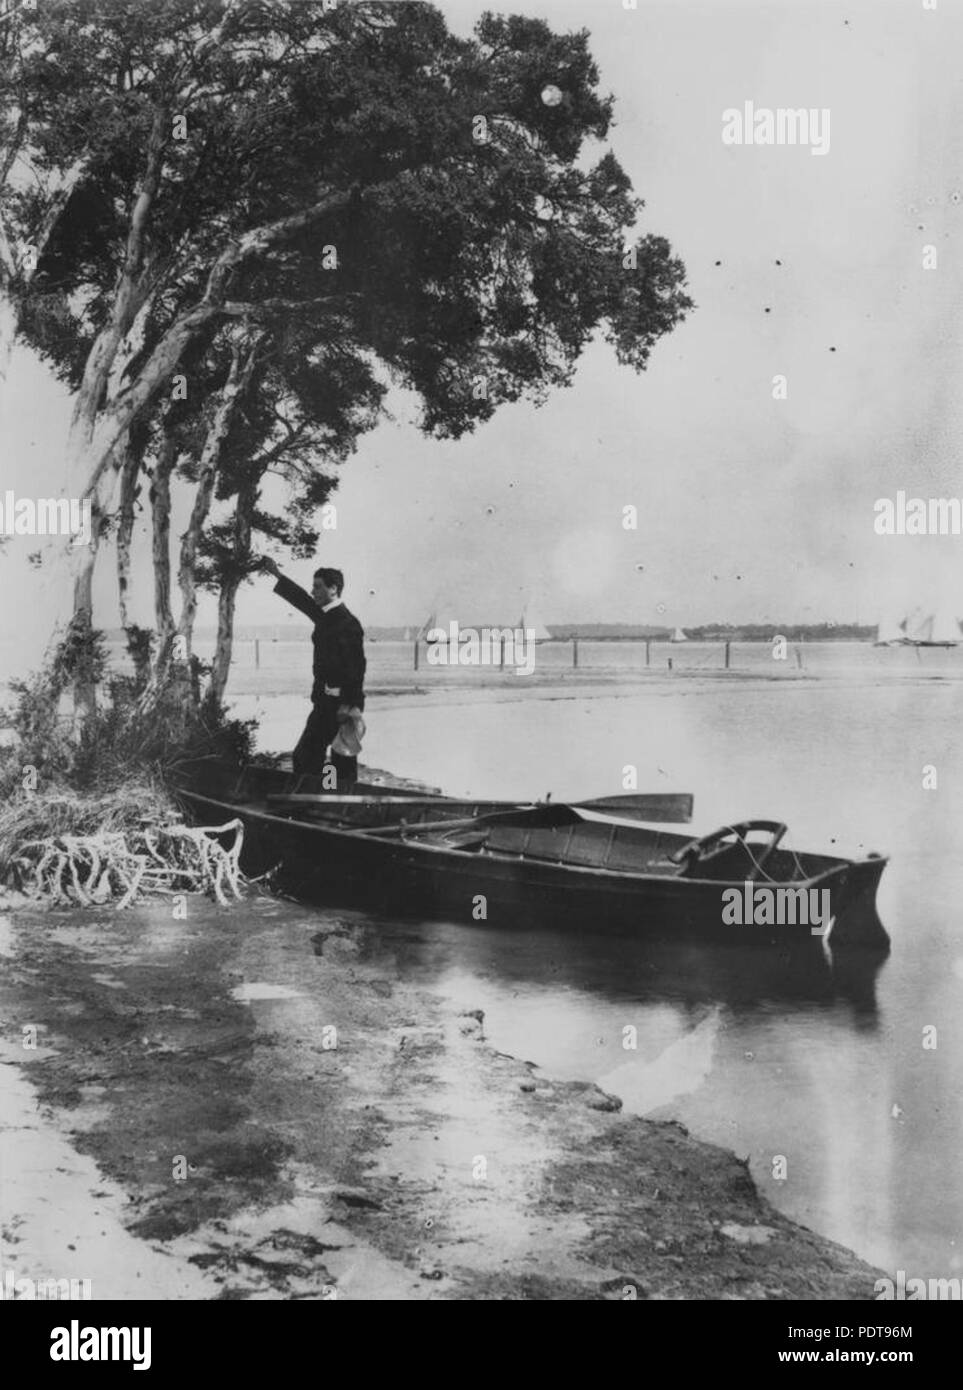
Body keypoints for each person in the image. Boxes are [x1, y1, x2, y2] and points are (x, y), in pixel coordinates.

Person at [261, 558, 366, 787]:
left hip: (342, 705)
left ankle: (339, 806)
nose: (313, 591)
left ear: (333, 589)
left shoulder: (348, 623)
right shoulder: (326, 615)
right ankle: (320, 800)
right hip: (325, 703)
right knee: (308, 756)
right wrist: (277, 574)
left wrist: (348, 705)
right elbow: (303, 601)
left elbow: (356, 669)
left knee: (339, 761)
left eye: (318, 586)